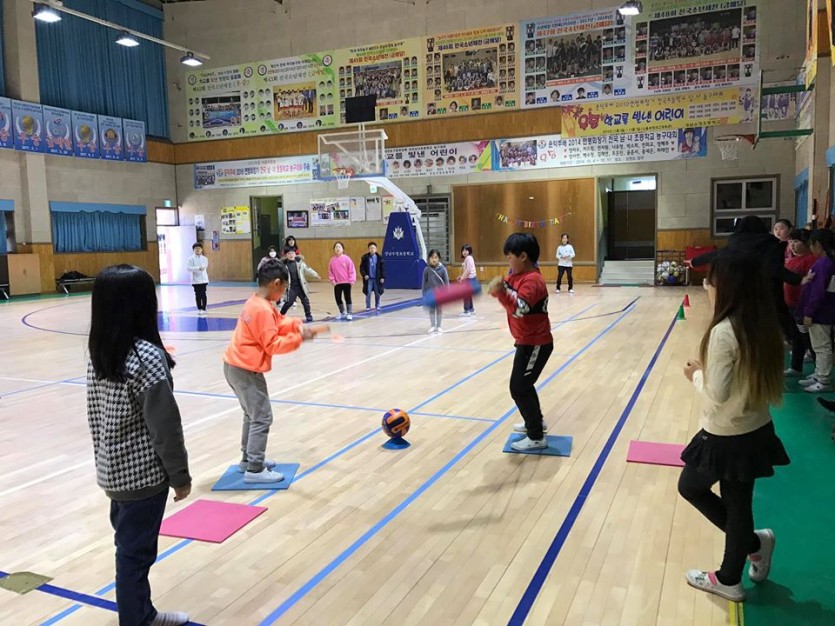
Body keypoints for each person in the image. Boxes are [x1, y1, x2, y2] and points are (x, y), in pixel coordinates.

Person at [678, 251, 789, 603]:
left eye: (709, 282)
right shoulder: (761, 323)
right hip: (755, 429)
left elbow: (717, 396)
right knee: (738, 504)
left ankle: (748, 550)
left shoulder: (724, 332)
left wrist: (696, 375)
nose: (707, 287)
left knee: (691, 487)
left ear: (725, 287)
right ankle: (737, 567)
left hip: (726, 433)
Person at [86, 265, 191, 626]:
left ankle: (142, 612)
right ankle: (137, 619)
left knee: (131, 549)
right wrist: (180, 476)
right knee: (134, 555)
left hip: (112, 471)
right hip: (143, 477)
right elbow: (165, 426)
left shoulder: (100, 352)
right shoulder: (146, 357)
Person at [223, 259, 317, 483]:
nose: (284, 292)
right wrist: (298, 339)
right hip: (245, 370)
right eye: (284, 287)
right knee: (262, 417)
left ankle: (248, 459)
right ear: (276, 283)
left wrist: (296, 326)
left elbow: (278, 321)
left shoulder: (257, 302)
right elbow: (272, 344)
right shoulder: (262, 310)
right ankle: (255, 470)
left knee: (251, 415)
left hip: (234, 366)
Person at [488, 233, 553, 451]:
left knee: (519, 388)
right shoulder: (517, 276)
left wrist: (501, 293)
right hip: (525, 341)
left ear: (523, 256)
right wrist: (499, 288)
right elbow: (508, 289)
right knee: (523, 385)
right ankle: (535, 423)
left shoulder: (533, 280)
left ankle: (536, 437)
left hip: (536, 343)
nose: (508, 261)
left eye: (510, 257)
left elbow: (519, 309)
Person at [798, 229, 835, 393]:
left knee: (822, 346)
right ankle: (819, 374)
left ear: (817, 245)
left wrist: (809, 312)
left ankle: (823, 379)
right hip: (826, 310)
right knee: (820, 345)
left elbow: (817, 291)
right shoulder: (827, 262)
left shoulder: (824, 264)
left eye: (811, 245)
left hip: (821, 312)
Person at [783, 229, 817, 377]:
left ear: (807, 243)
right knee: (797, 337)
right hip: (791, 306)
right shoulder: (791, 260)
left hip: (803, 307)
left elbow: (812, 286)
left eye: (796, 241)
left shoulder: (811, 260)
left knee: (809, 340)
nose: (792, 245)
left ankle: (819, 373)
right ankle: (796, 367)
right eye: (790, 242)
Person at [280, 247, 319, 323]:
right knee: (289, 302)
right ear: (286, 255)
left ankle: (308, 315)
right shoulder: (284, 265)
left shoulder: (300, 263)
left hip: (301, 287)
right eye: (289, 253)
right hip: (291, 288)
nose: (291, 255)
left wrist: (315, 274)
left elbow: (308, 269)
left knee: (305, 302)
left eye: (292, 253)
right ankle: (281, 315)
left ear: (295, 254)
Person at [422, 249, 449, 334]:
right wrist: (424, 294)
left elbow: (446, 282)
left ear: (439, 258)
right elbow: (424, 283)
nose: (434, 259)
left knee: (439, 309)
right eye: (432, 257)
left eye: (436, 257)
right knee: (431, 309)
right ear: (429, 258)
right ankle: (433, 326)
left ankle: (439, 326)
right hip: (430, 294)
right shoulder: (427, 269)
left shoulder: (443, 269)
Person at [328, 242, 357, 321]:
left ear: (343, 249)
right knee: (337, 298)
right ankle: (342, 312)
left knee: (347, 297)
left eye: (339, 247)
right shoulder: (332, 260)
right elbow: (330, 271)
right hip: (337, 283)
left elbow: (351, 270)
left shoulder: (347, 259)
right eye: (336, 247)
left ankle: (349, 313)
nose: (338, 248)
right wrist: (332, 280)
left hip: (347, 282)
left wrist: (352, 280)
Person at [360, 242, 385, 311]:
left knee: (377, 293)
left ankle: (377, 305)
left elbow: (383, 269)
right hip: (369, 279)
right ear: (368, 249)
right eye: (370, 248)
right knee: (368, 293)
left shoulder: (380, 258)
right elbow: (362, 268)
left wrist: (382, 277)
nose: (372, 249)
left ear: (376, 249)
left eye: (373, 248)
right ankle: (368, 306)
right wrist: (364, 275)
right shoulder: (365, 258)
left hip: (377, 279)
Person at [187, 243, 209, 316]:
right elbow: (189, 268)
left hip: (204, 280)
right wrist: (197, 268)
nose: (198, 250)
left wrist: (201, 268)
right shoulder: (191, 259)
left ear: (201, 249)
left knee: (203, 294)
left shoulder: (204, 258)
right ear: (193, 250)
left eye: (199, 248)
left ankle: (204, 308)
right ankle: (199, 308)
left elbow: (205, 266)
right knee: (198, 295)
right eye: (196, 249)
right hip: (195, 281)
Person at [458, 244, 476, 316]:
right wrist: (461, 276)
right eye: (463, 250)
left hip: (469, 279)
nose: (464, 252)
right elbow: (467, 270)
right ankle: (471, 309)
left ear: (469, 251)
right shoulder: (469, 258)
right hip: (471, 278)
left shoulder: (468, 258)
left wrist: (462, 278)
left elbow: (468, 270)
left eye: (466, 250)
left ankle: (467, 310)